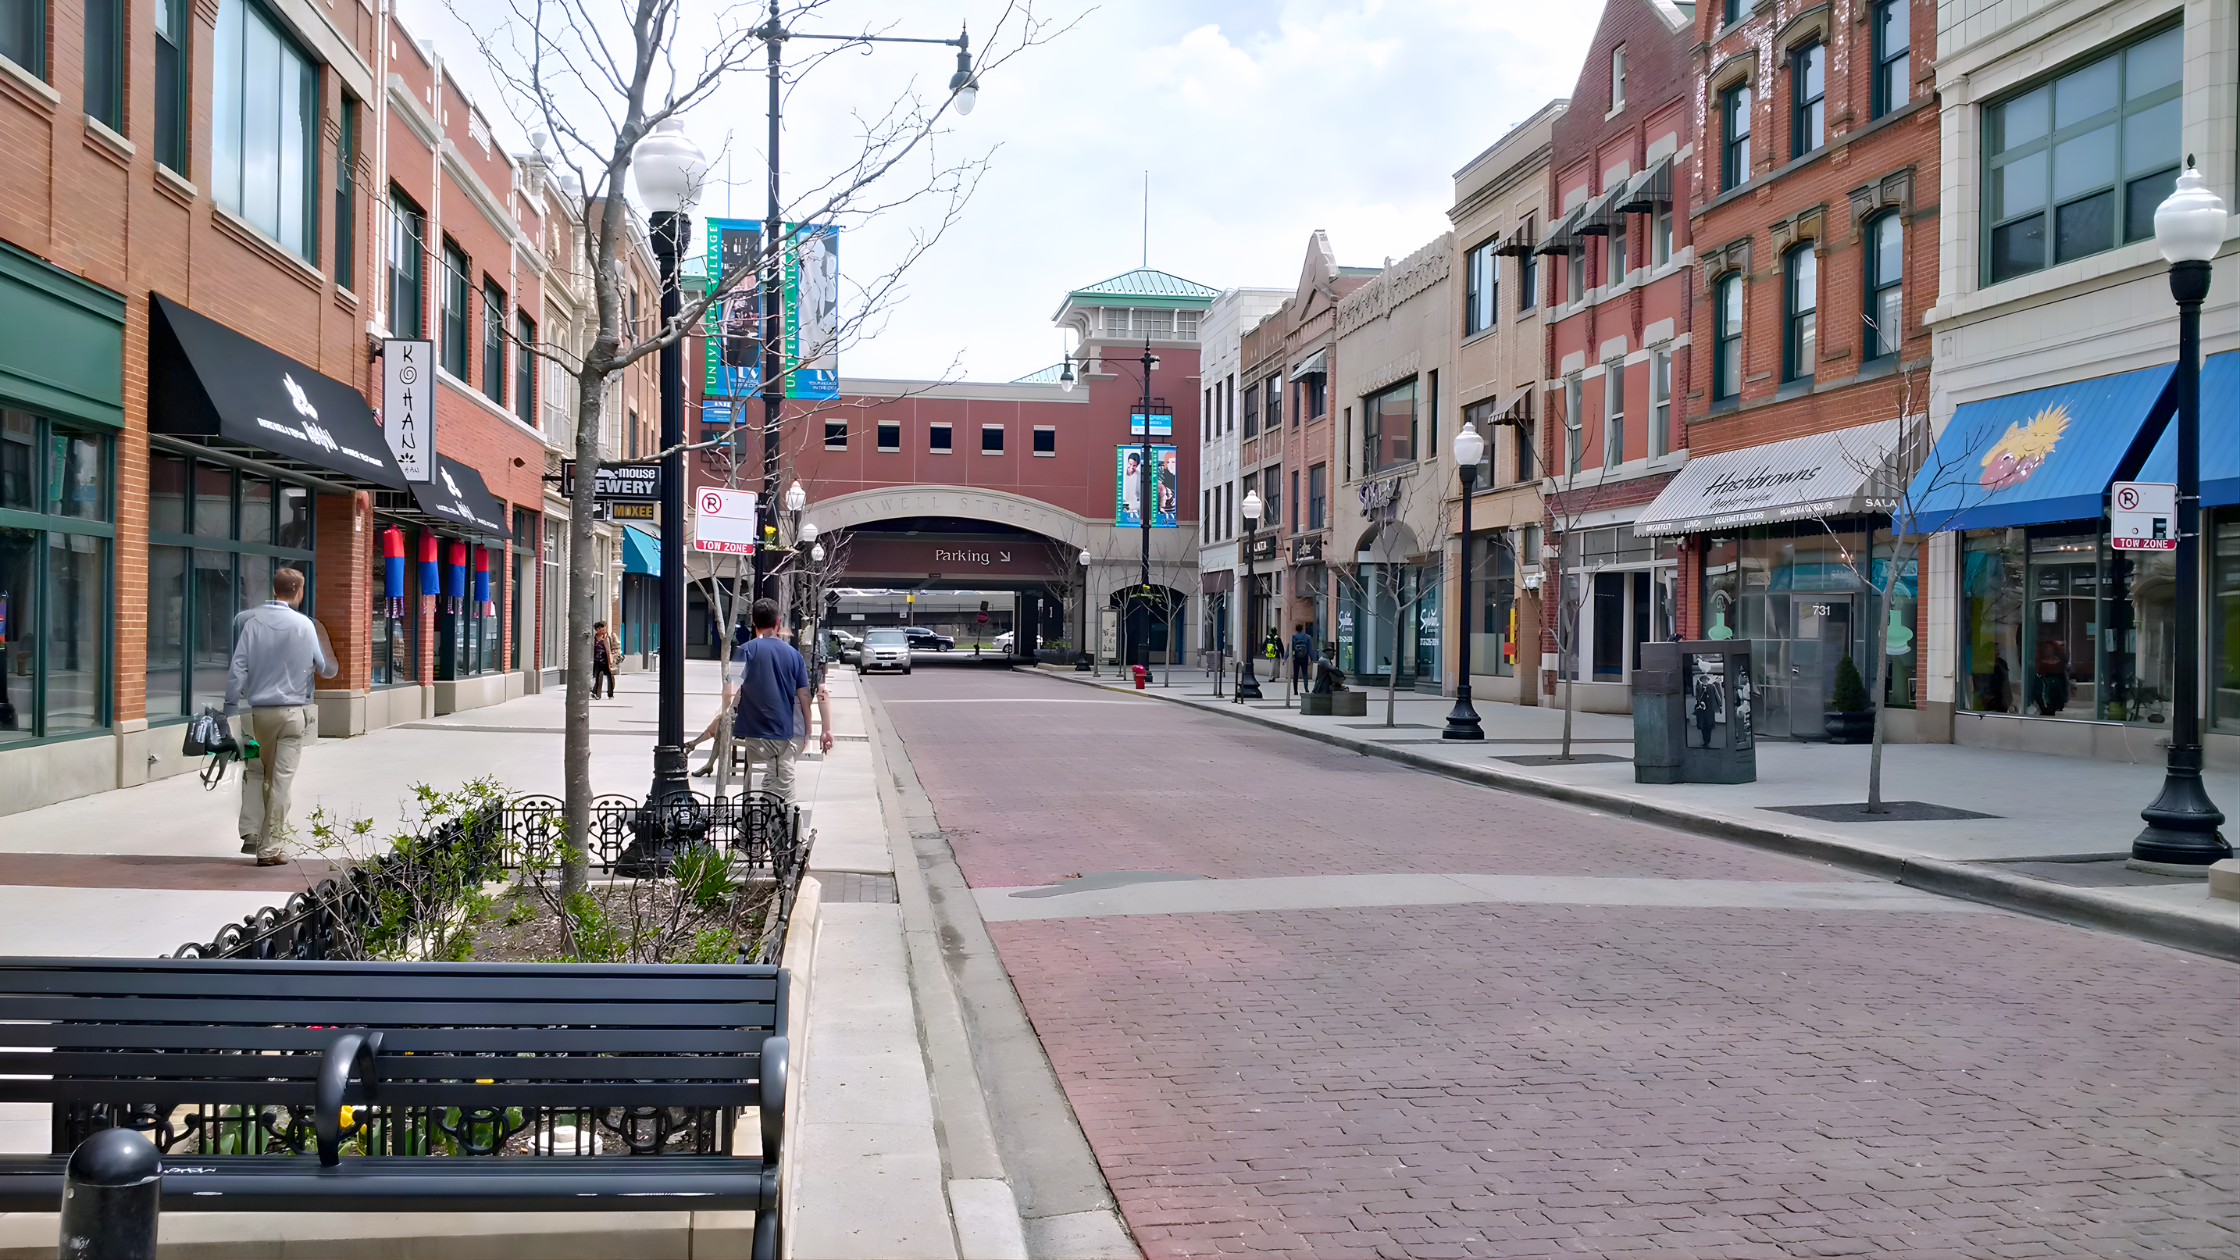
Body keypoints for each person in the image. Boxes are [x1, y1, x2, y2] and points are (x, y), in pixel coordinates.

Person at [226, 568, 336, 865]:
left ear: (274, 590)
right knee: (280, 781)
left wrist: (230, 707)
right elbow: (325, 667)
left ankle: (250, 831)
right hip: (290, 715)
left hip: (255, 715)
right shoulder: (304, 625)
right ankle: (269, 848)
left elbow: (238, 668)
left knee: (254, 771)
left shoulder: (251, 623)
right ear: (298, 590)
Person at [731, 599, 824, 802]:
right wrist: (808, 731)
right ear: (778, 622)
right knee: (784, 786)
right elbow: (804, 696)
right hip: (785, 731)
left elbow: (731, 690)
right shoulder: (794, 655)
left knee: (758, 785)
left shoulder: (744, 651)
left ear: (752, 621)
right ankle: (788, 831)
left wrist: (728, 716)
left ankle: (756, 831)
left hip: (755, 732)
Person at [591, 621, 616, 698]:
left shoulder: (608, 638)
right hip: (597, 661)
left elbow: (615, 647)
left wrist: (614, 656)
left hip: (607, 661)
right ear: (597, 629)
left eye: (604, 628)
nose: (604, 630)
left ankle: (610, 694)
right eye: (602, 628)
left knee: (610, 678)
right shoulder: (594, 639)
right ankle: (597, 694)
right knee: (597, 677)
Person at [1290, 623, 1313, 689]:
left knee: (1296, 674)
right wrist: (1310, 658)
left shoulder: (1293, 637)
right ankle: (1306, 688)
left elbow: (1290, 648)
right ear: (1302, 629)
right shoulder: (1307, 637)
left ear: (1296, 629)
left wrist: (1284, 658)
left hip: (1296, 658)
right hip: (1304, 657)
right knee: (1305, 674)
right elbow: (1309, 648)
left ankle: (1295, 690)